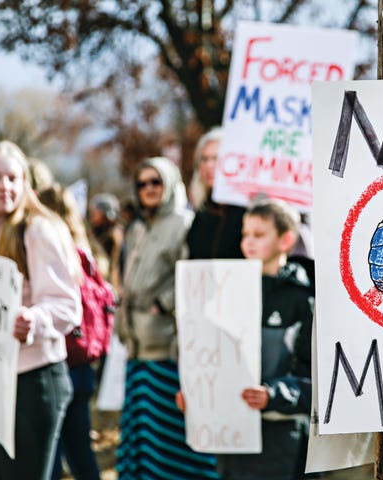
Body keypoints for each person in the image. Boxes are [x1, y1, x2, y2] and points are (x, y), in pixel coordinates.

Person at [177, 198, 314, 480]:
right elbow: (212, 355)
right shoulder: (225, 293)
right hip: (232, 435)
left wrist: (273, 394)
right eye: (245, 234)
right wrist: (199, 395)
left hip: (281, 438)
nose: (248, 242)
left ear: (286, 240)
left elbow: (317, 381)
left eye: (259, 234)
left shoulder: (303, 298)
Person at [115, 157, 220, 479]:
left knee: (167, 440)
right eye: (142, 183)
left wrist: (163, 303)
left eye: (155, 182)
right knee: (141, 439)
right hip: (136, 347)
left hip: (167, 348)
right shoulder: (137, 227)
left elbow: (194, 276)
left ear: (170, 183)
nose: (148, 189)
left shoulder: (182, 223)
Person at [0, 141, 82, 480]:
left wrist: (34, 319)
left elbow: (67, 305)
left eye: (13, 178)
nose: (5, 186)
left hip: (34, 381)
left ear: (26, 182)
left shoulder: (37, 230)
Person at [37, 183, 102, 480]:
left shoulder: (47, 251)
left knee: (48, 457)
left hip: (55, 363)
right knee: (81, 455)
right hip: (82, 363)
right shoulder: (83, 252)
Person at [186, 127, 246, 259]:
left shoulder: (248, 214)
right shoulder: (202, 215)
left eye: (216, 158)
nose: (209, 165)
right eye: (204, 159)